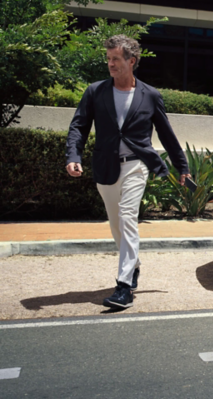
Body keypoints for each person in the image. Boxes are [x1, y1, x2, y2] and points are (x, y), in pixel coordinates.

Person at [65, 35, 191, 310]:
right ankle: (133, 265)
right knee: (115, 224)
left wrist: (183, 167)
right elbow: (79, 126)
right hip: (106, 166)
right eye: (108, 58)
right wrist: (73, 156)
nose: (110, 63)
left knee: (127, 218)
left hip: (137, 164)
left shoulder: (150, 95)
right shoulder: (95, 91)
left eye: (116, 59)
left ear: (131, 61)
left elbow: (166, 134)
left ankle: (123, 287)